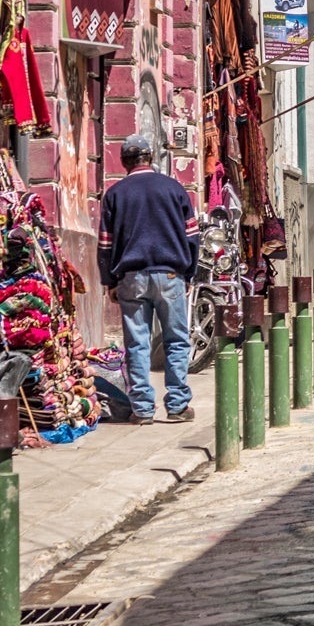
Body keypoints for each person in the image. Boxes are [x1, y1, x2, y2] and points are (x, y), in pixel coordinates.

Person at [99, 135, 200, 424]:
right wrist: (189, 272)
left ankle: (142, 409)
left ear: (124, 162)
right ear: (150, 157)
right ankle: (178, 405)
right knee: (177, 340)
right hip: (171, 274)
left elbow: (105, 244)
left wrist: (110, 281)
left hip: (131, 277)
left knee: (137, 343)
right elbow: (192, 236)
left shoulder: (115, 194)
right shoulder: (174, 188)